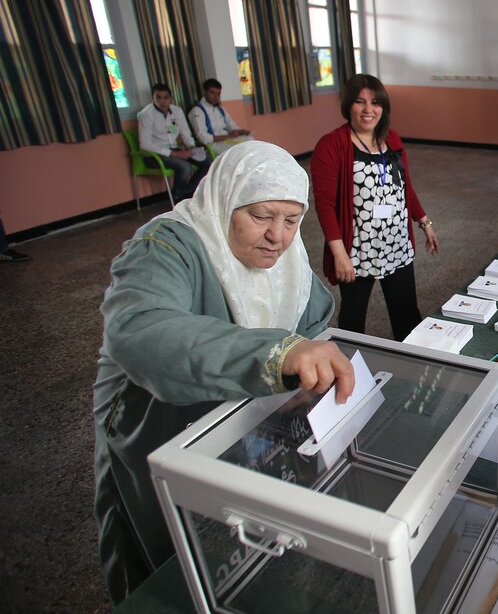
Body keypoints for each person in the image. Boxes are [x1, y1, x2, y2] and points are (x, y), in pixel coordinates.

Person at [92, 141, 355, 604]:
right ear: (225, 200)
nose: (278, 236)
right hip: (155, 424)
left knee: (227, 542)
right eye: (261, 216)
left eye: (292, 221)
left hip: (235, 422)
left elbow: (313, 318)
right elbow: (142, 333)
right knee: (160, 553)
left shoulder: (285, 257)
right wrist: (278, 355)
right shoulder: (167, 245)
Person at [311, 74, 439, 340]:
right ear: (349, 105)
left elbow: (405, 187)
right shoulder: (332, 145)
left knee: (407, 315)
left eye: (376, 102)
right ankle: (350, 372)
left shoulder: (391, 138)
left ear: (384, 107)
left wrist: (424, 221)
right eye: (360, 102)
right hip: (357, 249)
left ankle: (413, 368)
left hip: (397, 242)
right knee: (353, 319)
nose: (369, 110)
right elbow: (325, 205)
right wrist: (339, 254)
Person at [137, 82, 213, 203]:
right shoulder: (146, 114)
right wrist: (175, 154)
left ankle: (188, 193)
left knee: (208, 162)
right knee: (184, 166)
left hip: (175, 150)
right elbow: (144, 144)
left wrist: (192, 148)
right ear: (153, 98)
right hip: (153, 154)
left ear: (171, 98)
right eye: (158, 98)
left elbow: (185, 133)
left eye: (166, 97)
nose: (162, 101)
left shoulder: (177, 111)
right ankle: (178, 199)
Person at [188, 77, 253, 155]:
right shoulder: (197, 110)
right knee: (236, 152)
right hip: (214, 144)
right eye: (212, 92)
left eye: (218, 93)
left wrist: (240, 131)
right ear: (204, 92)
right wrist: (228, 136)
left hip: (228, 139)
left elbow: (231, 124)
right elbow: (202, 137)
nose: (216, 96)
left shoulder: (220, 109)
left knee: (251, 142)